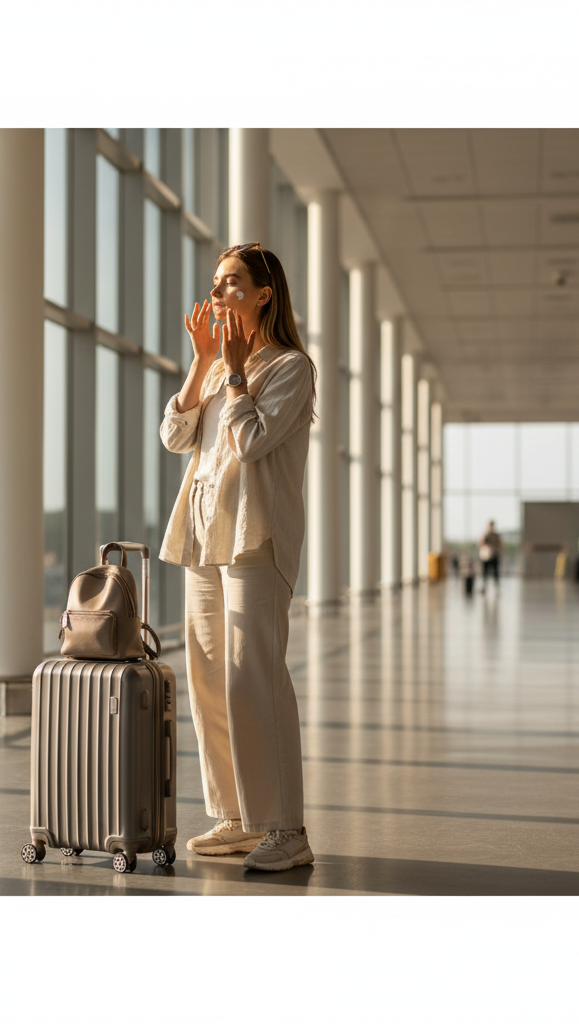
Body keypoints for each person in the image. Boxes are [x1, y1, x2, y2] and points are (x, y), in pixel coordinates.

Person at [159, 242, 316, 872]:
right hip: (204, 538)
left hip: (255, 538)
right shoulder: (217, 367)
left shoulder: (289, 367)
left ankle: (287, 829)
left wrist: (233, 375)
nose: (217, 293)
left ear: (263, 293)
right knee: (209, 681)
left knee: (256, 679)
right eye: (216, 282)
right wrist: (203, 363)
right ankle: (237, 817)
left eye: (230, 283)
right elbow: (174, 435)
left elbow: (250, 443)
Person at [478, 520, 502, 591]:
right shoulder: (485, 535)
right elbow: (480, 544)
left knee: (495, 573)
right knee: (485, 572)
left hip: (494, 555)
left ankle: (497, 587)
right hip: (486, 556)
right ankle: (484, 586)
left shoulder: (496, 536)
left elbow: (500, 545)